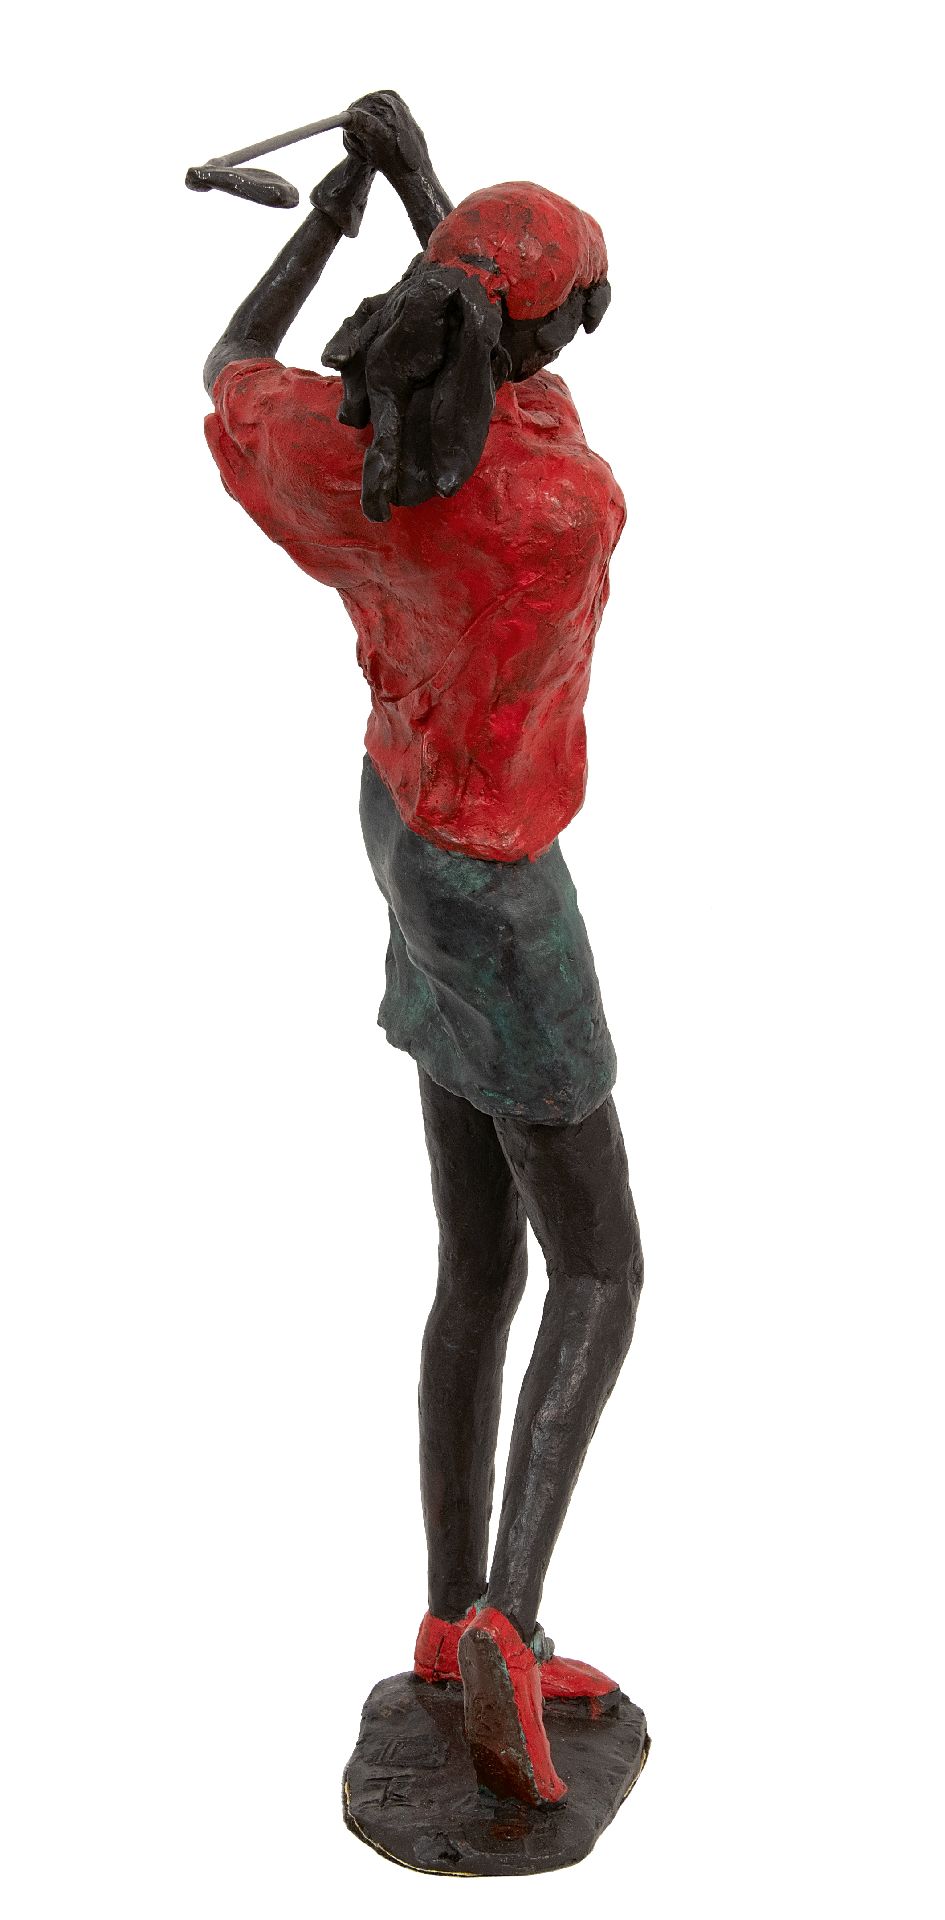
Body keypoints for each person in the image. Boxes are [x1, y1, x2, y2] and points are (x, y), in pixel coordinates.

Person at [202, 92, 644, 1809]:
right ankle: (503, 1634)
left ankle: (450, 1611)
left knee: (475, 1259)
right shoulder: (563, 505)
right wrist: (420, 207)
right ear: (547, 335)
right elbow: (503, 369)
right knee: (597, 1267)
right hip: (502, 890)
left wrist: (353, 205)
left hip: (399, 831)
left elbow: (248, 363)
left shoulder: (341, 459)